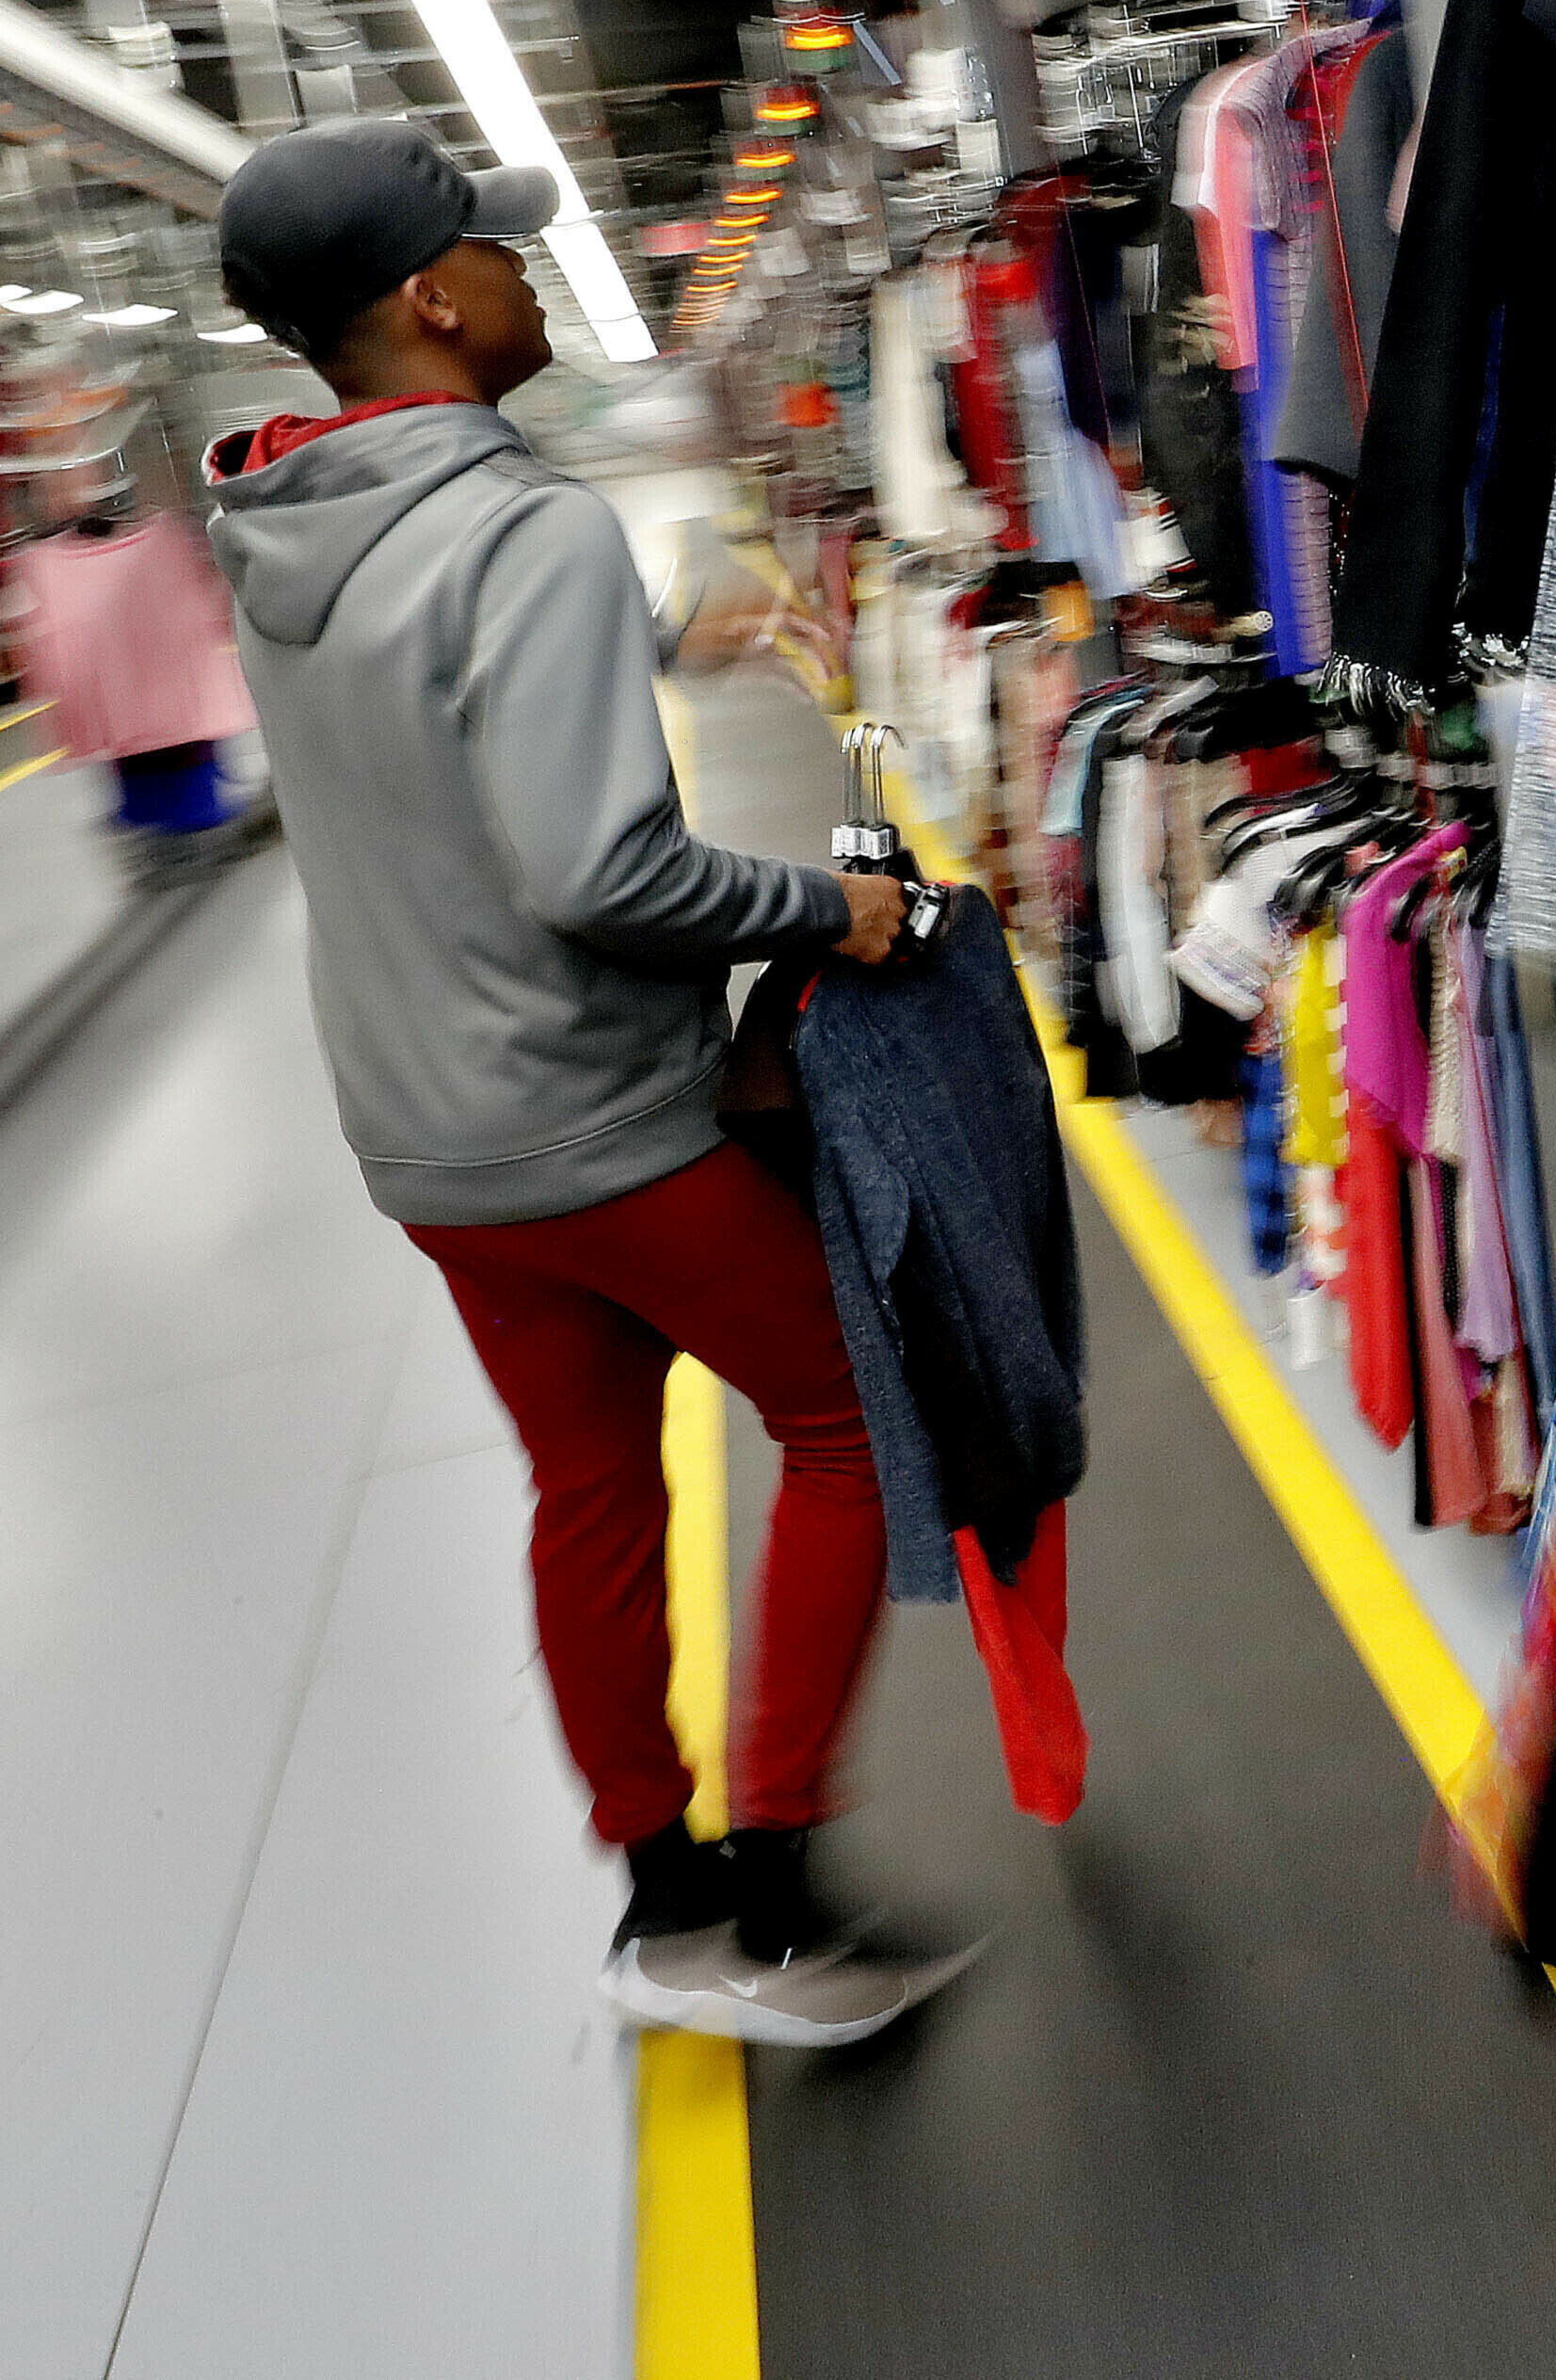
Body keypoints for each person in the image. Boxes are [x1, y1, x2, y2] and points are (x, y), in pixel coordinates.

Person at [198, 120, 963, 2047]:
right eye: (499, 258)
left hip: (427, 1135)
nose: (533, 284)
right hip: (594, 1123)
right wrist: (841, 907)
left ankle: (671, 1904)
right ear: (431, 304)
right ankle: (782, 1888)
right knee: (852, 1414)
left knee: (589, 1491)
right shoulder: (526, 523)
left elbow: (425, 702)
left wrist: (639, 636)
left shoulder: (280, 523)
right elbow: (603, 872)